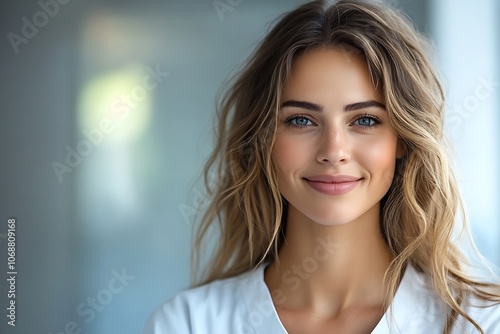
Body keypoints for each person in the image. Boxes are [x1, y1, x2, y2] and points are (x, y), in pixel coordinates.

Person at [144, 0, 500, 333]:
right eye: (301, 120)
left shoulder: (481, 322)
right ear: (263, 138)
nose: (334, 151)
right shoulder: (189, 324)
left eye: (365, 120)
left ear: (403, 139)